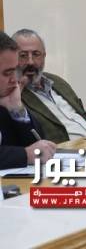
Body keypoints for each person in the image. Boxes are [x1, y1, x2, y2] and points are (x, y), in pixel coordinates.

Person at [13, 29, 86, 143]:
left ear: (44, 56)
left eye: (36, 54)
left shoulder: (57, 82)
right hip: (69, 150)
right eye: (23, 55)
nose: (30, 62)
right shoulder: (11, 94)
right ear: (12, 58)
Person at [0, 31, 56, 170]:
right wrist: (26, 154)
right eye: (7, 73)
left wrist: (17, 110)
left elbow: (39, 144)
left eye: (15, 70)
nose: (15, 79)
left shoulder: (5, 98)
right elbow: (30, 152)